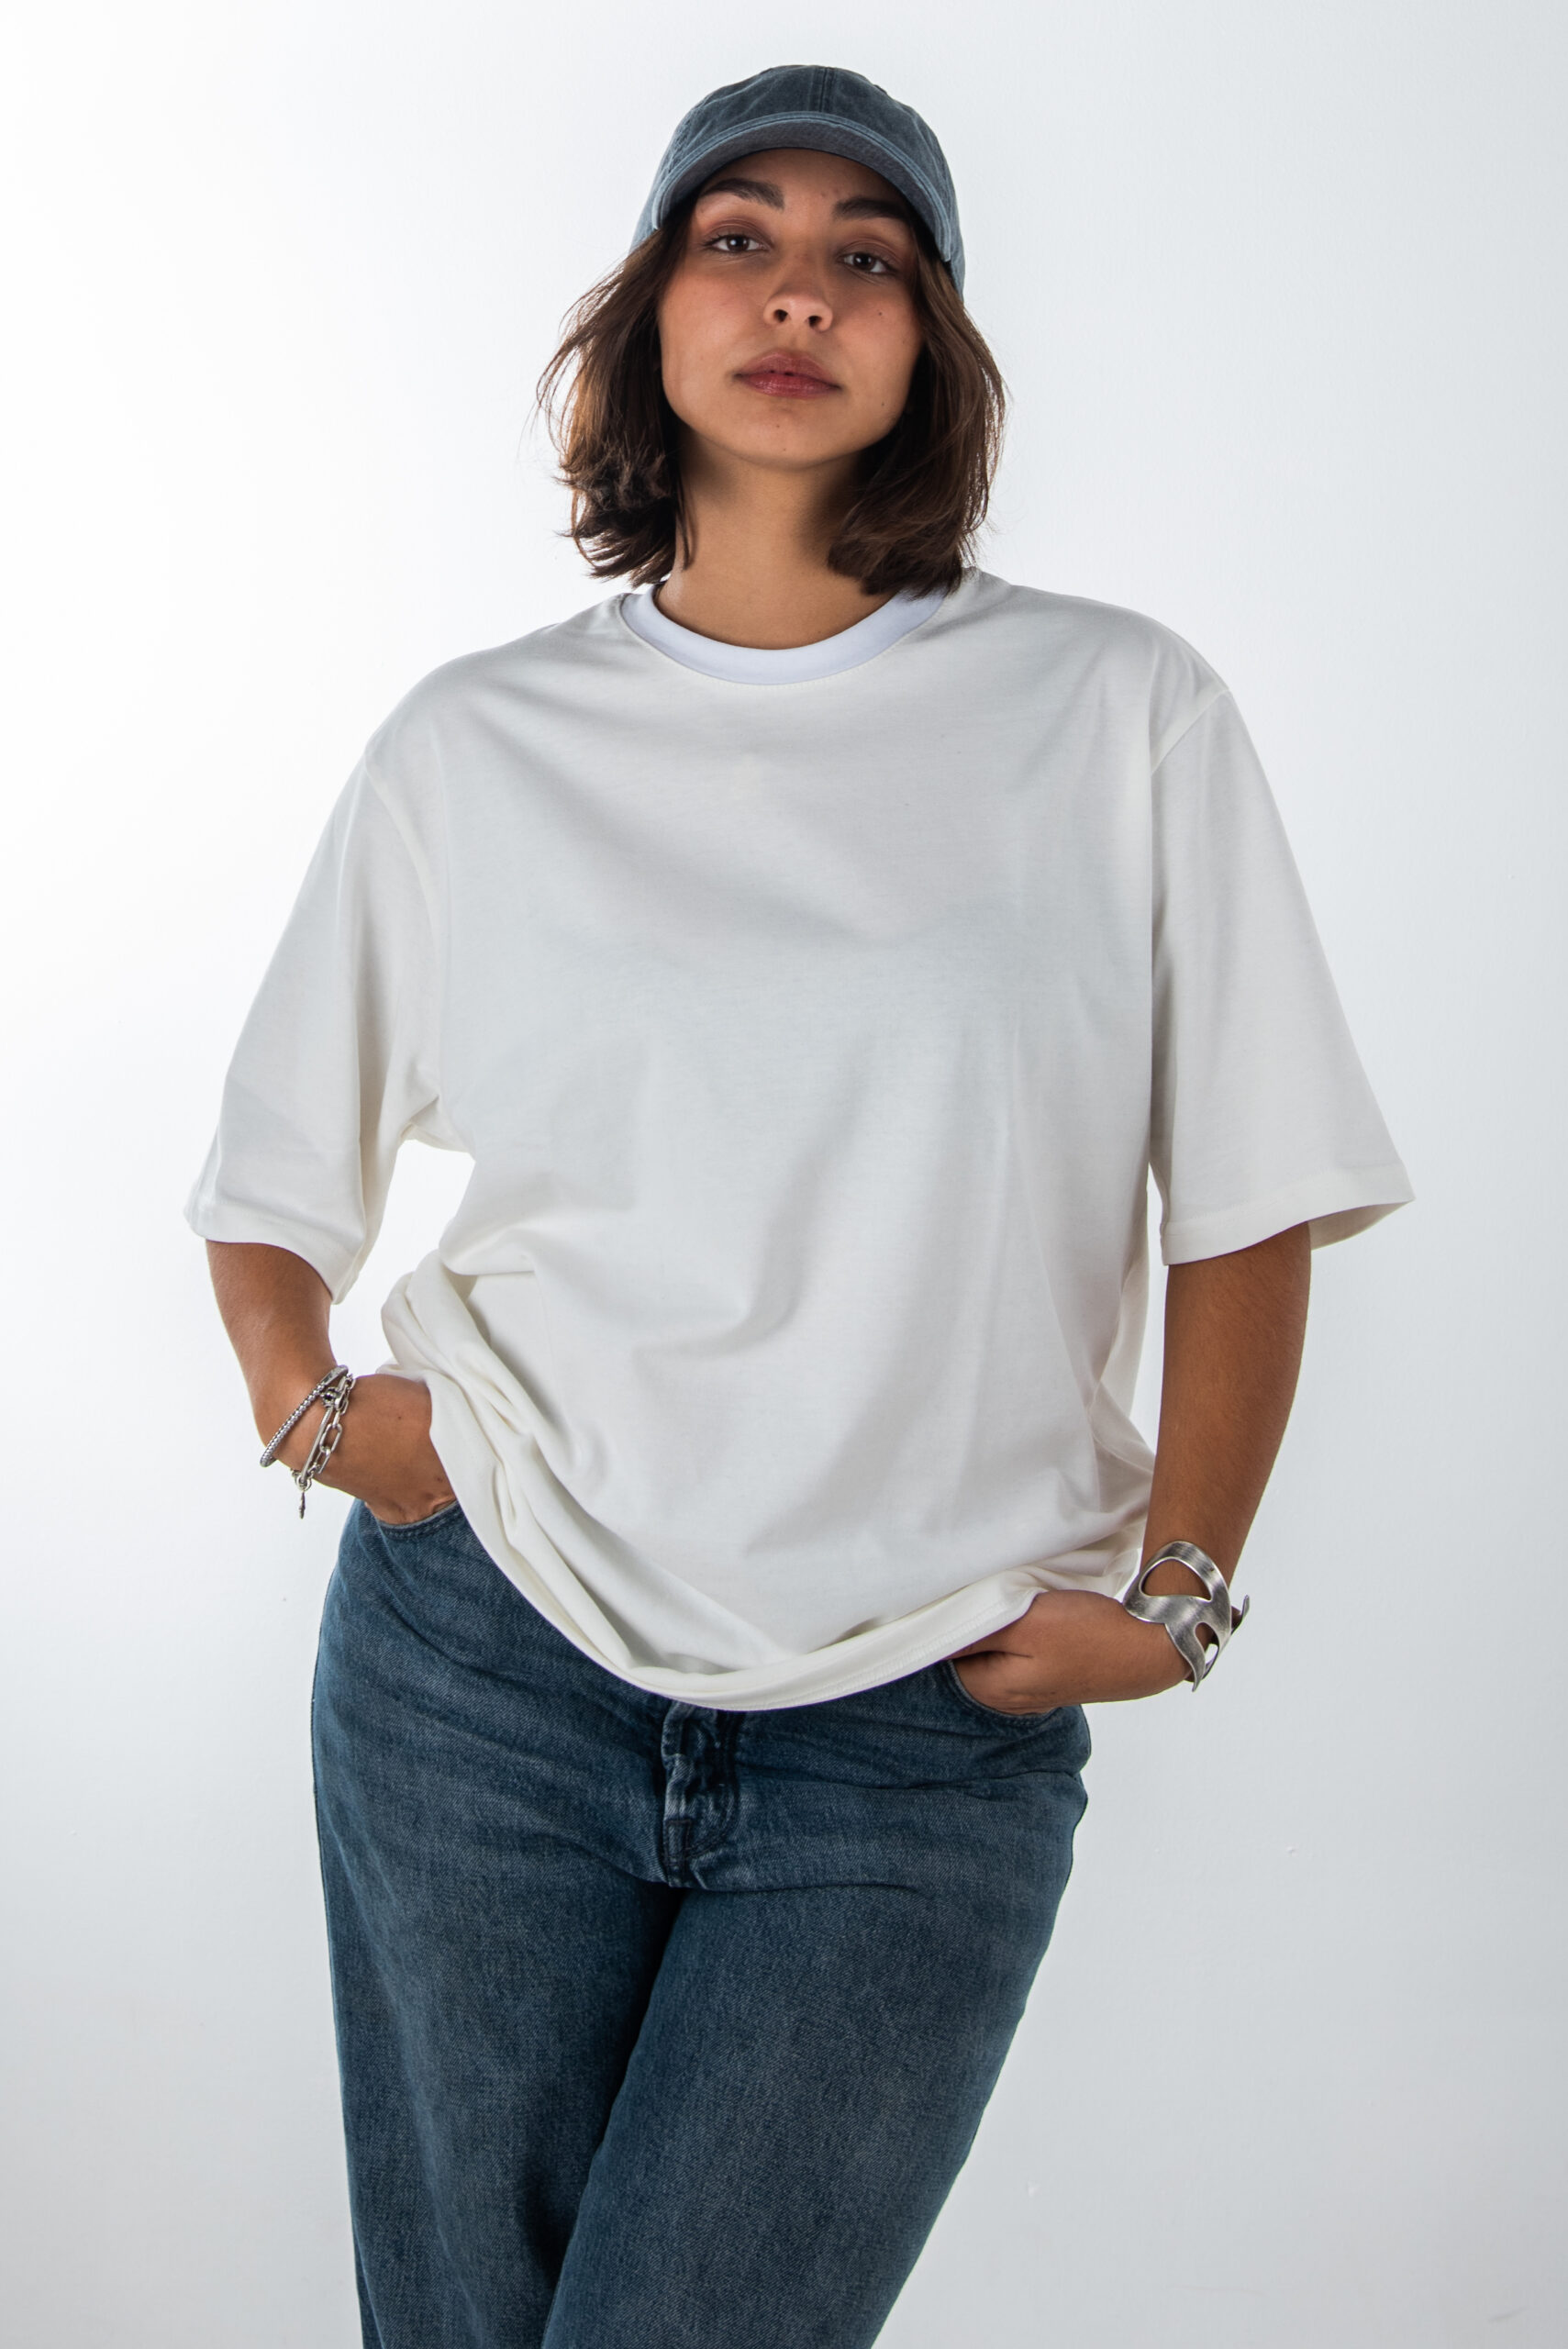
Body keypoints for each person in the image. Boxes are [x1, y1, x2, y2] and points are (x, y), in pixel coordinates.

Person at [187, 62, 1411, 2349]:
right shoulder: (476, 745)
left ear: (931, 339)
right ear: (650, 308)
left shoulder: (1118, 715)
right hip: (484, 1677)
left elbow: (1249, 1193)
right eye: (737, 237)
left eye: (870, 255)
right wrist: (315, 1411)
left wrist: (1186, 1591)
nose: (799, 293)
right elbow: (270, 1179)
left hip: (917, 1718)